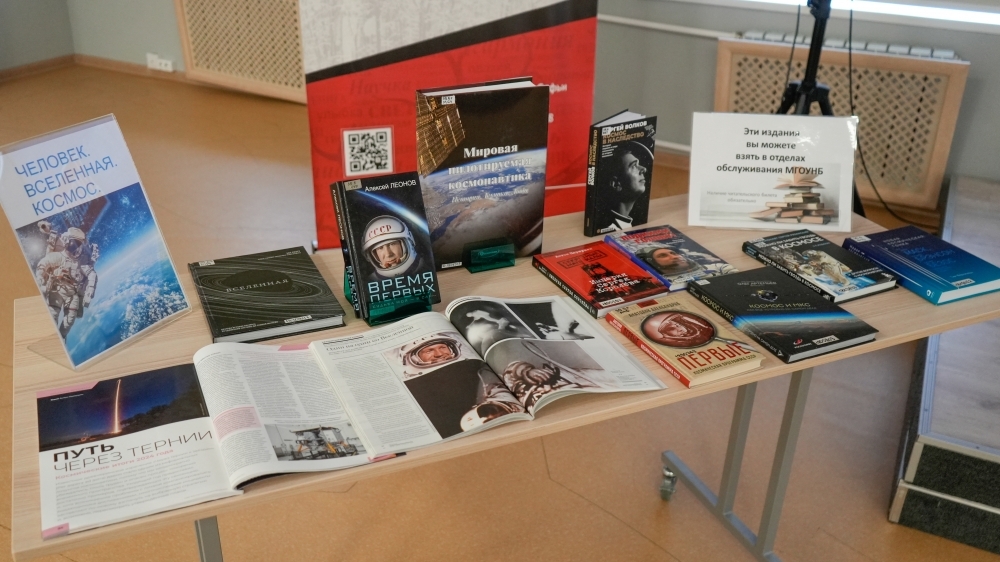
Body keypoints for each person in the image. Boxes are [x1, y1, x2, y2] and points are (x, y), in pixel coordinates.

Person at [35, 227, 99, 339]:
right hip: (57, 290)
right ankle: (53, 339)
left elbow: (92, 274)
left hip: (72, 293)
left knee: (69, 321)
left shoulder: (81, 262)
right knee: (53, 316)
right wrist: (40, 276)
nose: (77, 247)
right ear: (67, 241)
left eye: (79, 244)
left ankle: (62, 338)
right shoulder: (59, 256)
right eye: (75, 243)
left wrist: (89, 292)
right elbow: (43, 264)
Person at [596, 141, 653, 233]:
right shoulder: (609, 228)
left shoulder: (626, 222)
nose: (644, 169)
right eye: (633, 165)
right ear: (616, 184)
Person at [361, 215, 429, 280]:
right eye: (380, 248)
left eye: (392, 244)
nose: (388, 254)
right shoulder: (370, 280)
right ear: (374, 254)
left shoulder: (428, 266)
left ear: (409, 242)